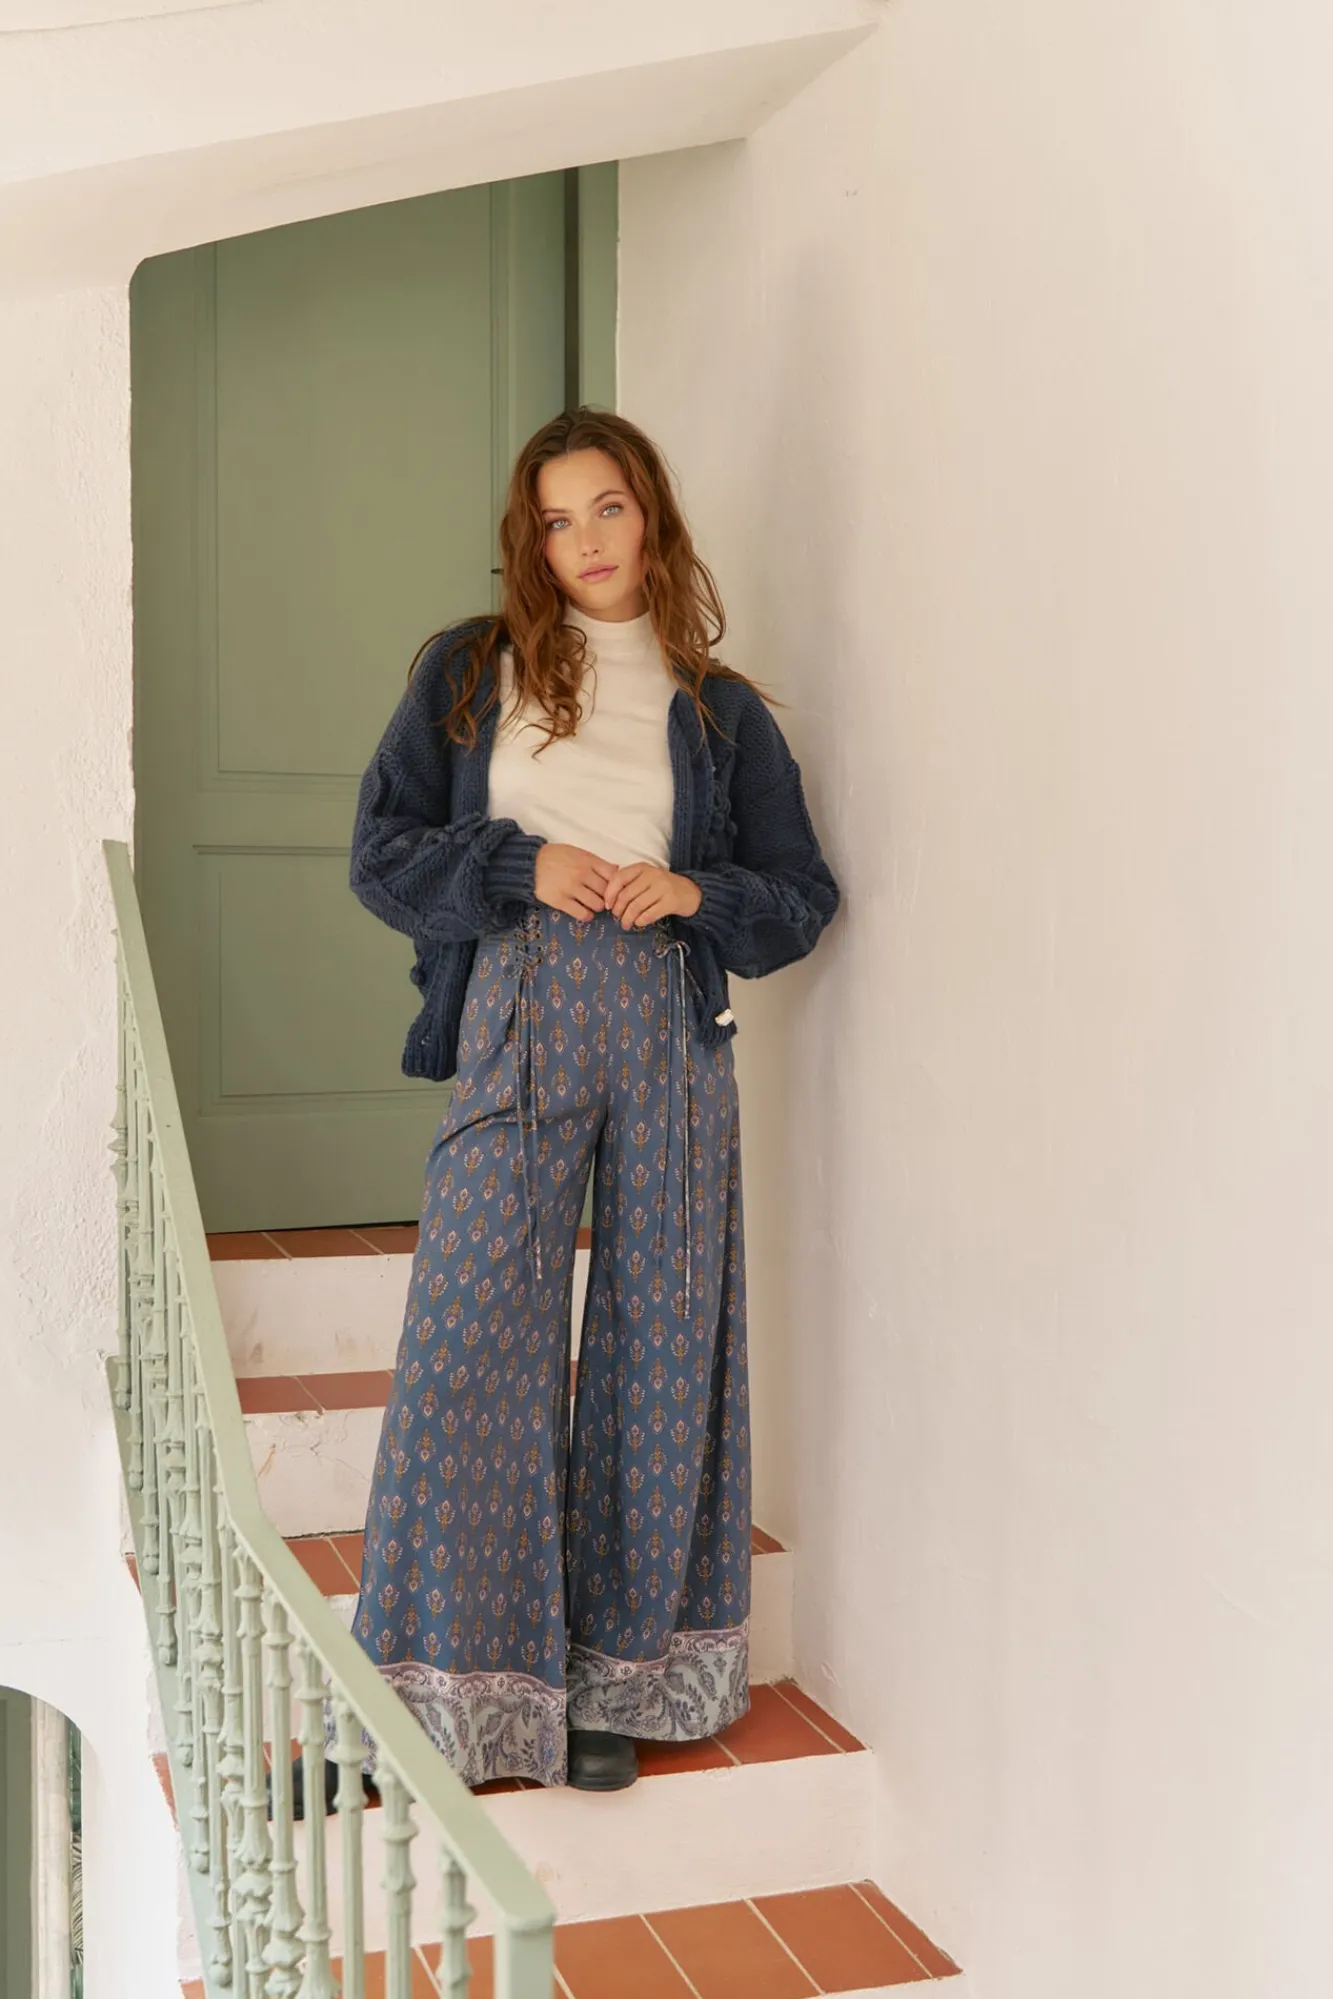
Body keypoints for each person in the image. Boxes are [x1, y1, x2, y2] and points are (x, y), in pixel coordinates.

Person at [342, 407, 839, 1796]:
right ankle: (446, 1693)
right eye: (557, 521)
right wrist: (519, 866)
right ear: (532, 540)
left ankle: (620, 1682)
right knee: (468, 1339)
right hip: (518, 1005)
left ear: (650, 512)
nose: (586, 542)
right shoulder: (470, 669)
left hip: (668, 1023)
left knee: (659, 1344)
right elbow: (382, 851)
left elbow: (800, 896)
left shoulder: (720, 710)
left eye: (606, 508)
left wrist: (695, 891)